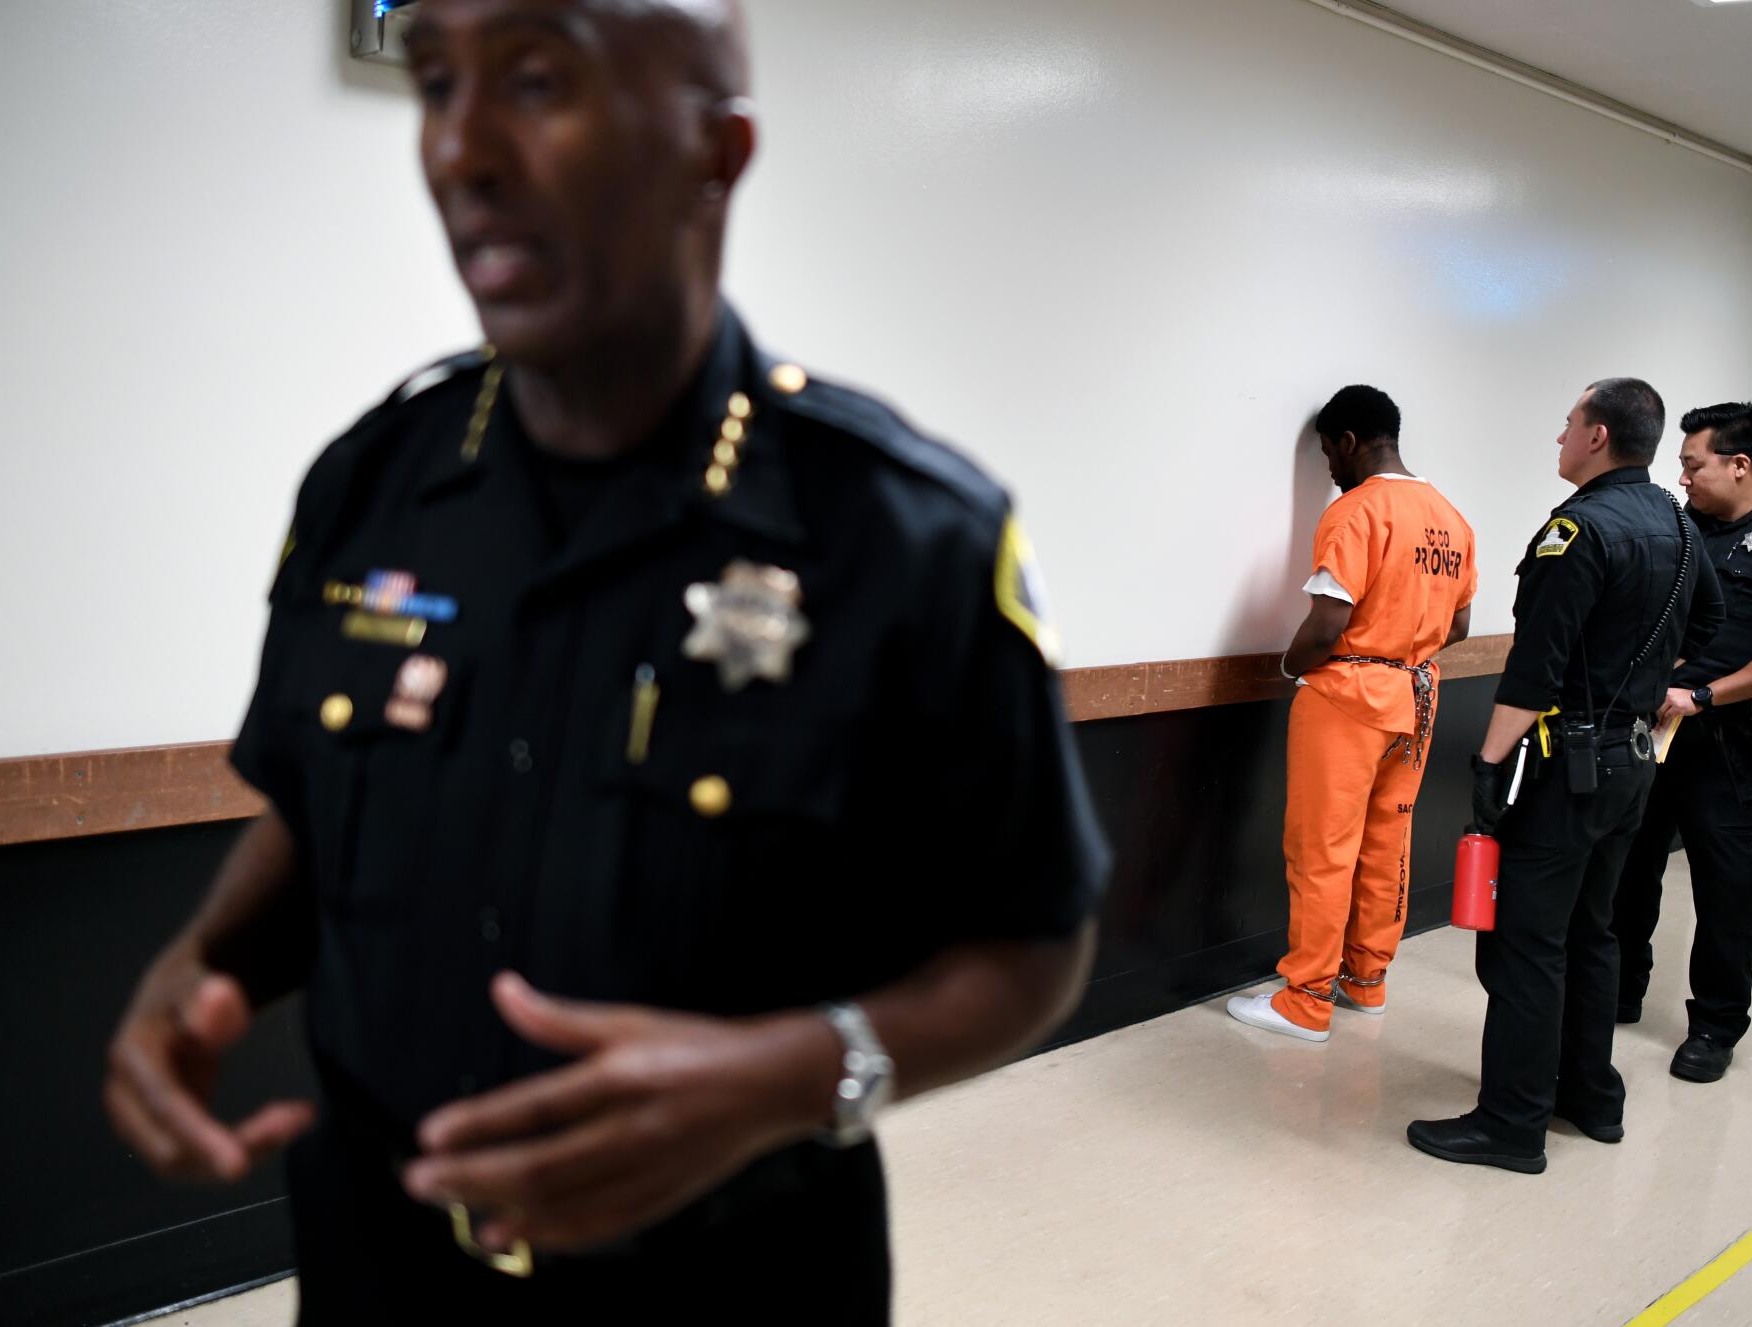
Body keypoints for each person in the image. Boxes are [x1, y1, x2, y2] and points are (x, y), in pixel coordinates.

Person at [102, 2, 1109, 1320]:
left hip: (729, 1285)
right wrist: (205, 962)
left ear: (719, 148)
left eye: (534, 78)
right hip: (377, 1269)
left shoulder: (902, 535)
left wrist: (794, 1071)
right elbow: (313, 801)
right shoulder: (370, 487)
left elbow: (1035, 940)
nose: (459, 149)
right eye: (435, 81)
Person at [1408, 378, 1723, 1173]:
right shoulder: (1680, 528)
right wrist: (1641, 682)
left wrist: (1487, 765)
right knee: (1593, 930)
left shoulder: (1578, 530)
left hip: (1564, 768)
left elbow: (1533, 671)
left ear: (1597, 437)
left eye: (1568, 425)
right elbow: (1712, 622)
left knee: (1525, 943)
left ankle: (1511, 1122)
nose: (1558, 439)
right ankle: (1590, 1095)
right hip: (1634, 763)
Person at [1227, 386, 1477, 1042]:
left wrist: (1290, 665)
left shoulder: (1356, 511)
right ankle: (1366, 981)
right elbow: (1460, 624)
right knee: (1386, 841)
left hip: (1348, 700)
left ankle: (1305, 999)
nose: (1329, 470)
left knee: (1322, 848)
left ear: (1347, 441)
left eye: (1327, 454)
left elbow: (1328, 623)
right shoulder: (1450, 518)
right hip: (1417, 697)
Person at [1611, 403, 1752, 1083]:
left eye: (1692, 464)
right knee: (1628, 868)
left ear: (1739, 464)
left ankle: (1714, 1023)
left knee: (1727, 888)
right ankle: (1620, 988)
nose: (1682, 478)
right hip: (1651, 732)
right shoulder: (1681, 531)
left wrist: (1704, 694)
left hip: (1726, 740)